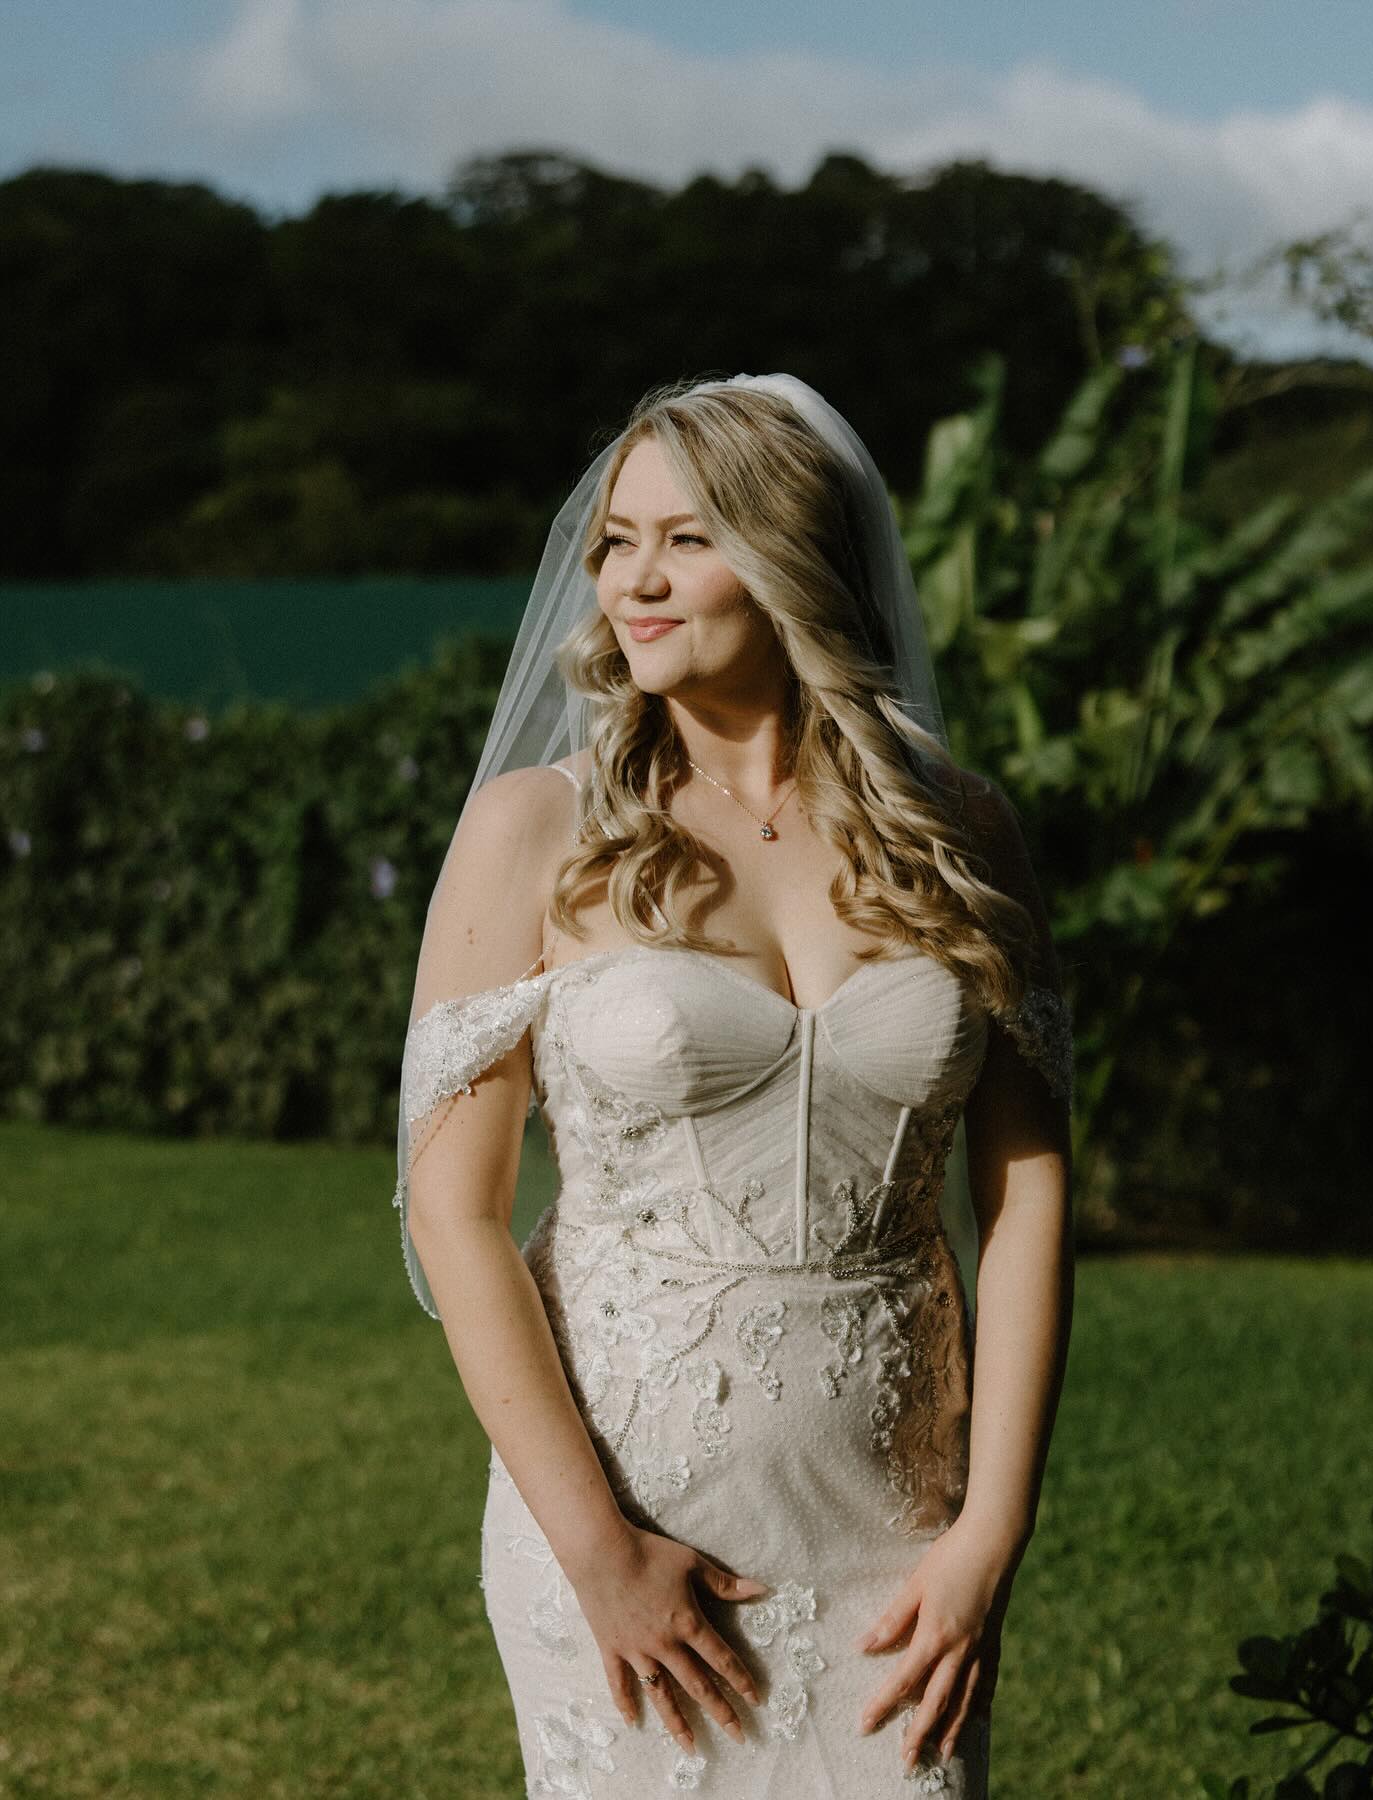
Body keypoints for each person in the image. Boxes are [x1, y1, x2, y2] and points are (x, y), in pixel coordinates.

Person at [392, 373, 1074, 1797]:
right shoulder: (537, 829)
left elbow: (1027, 1189)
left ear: (793, 559)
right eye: (615, 542)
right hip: (631, 1517)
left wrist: (989, 1537)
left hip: (903, 1532)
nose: (632, 582)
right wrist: (599, 1552)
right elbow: (456, 1214)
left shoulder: (961, 829)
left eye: (686, 538)